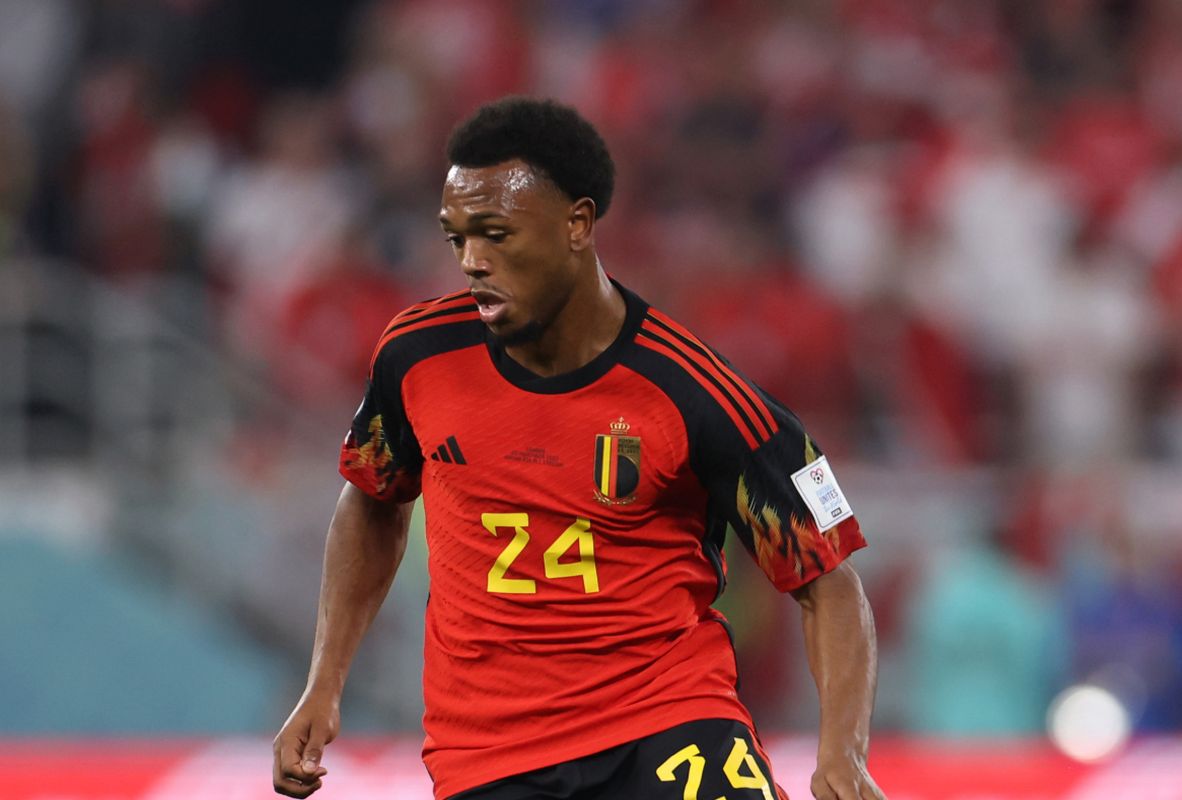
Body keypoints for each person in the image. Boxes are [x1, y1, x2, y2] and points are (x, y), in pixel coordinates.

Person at [272, 97, 885, 800]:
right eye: (456, 238)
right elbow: (372, 500)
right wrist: (323, 684)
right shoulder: (415, 357)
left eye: (496, 234)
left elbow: (828, 579)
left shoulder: (696, 392)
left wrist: (842, 751)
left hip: (667, 724)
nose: (472, 261)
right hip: (489, 756)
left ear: (577, 224)